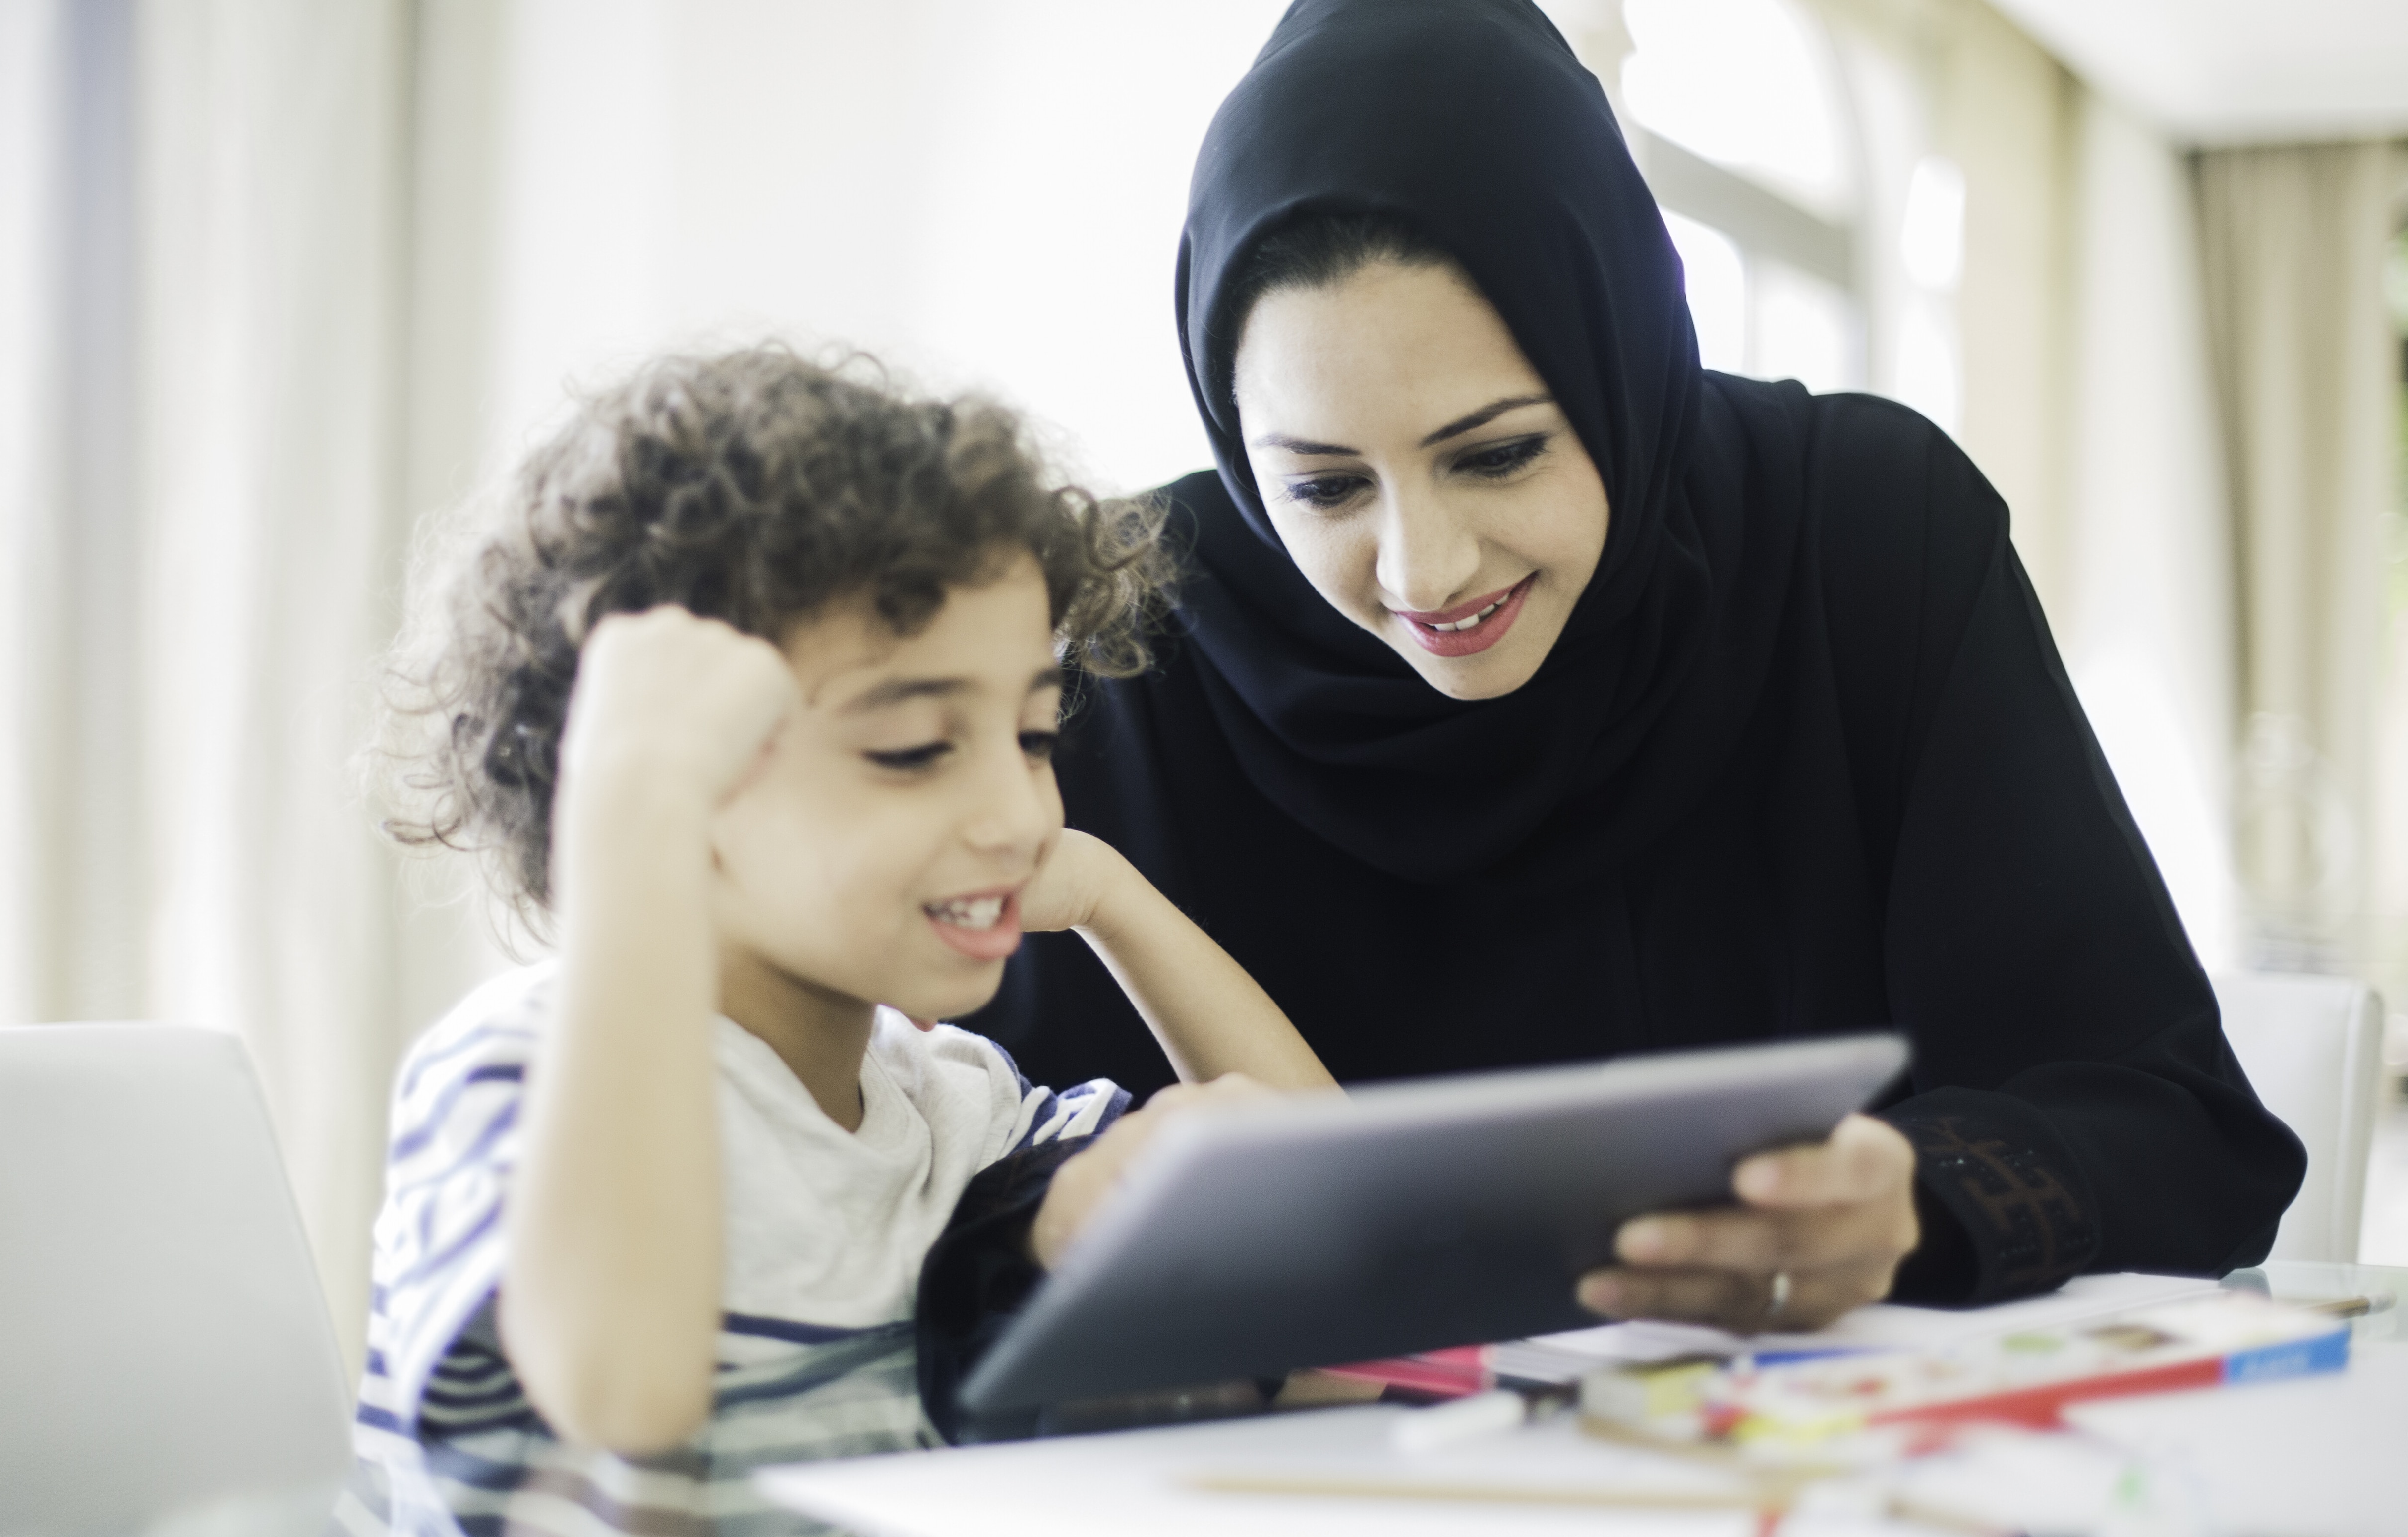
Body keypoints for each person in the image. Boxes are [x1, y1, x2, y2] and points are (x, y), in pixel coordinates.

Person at [952, 0, 2303, 1342]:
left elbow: (2175, 1125)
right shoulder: (1137, 635)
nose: (1425, 571)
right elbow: (956, 1202)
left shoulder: (1867, 542)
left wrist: (1916, 1202)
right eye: (1319, 486)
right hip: (1283, 1521)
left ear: (1619, 357)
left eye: (1497, 454)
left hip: (1807, 1505)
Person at [277, 347, 1331, 1537]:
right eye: (911, 749)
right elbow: (627, 1387)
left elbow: (1320, 1197)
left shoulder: (944, 1108)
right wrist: (630, 827)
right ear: (665, 772)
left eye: (1035, 734)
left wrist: (1116, 895)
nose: (1017, 810)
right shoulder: (524, 1073)